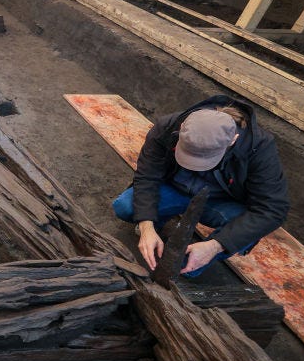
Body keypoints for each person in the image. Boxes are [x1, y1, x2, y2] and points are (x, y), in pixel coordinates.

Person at [112, 95, 289, 277]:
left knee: (185, 267)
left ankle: (202, 253)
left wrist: (215, 245)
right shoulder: (167, 127)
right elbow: (147, 176)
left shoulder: (259, 148)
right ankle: (157, 222)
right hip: (176, 188)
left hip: (219, 201)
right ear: (182, 129)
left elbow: (273, 209)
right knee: (126, 207)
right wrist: (146, 225)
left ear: (233, 140)